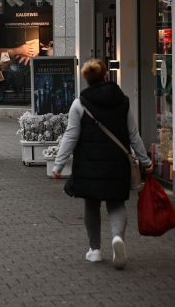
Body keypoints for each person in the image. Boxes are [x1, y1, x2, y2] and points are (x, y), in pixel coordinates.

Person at [52, 59, 153, 269]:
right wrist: (145, 160)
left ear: (86, 79)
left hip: (89, 163)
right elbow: (133, 134)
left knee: (92, 203)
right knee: (116, 202)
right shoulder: (122, 101)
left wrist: (58, 164)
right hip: (117, 162)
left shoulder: (79, 103)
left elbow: (71, 135)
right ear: (106, 75)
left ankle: (95, 250)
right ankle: (117, 238)